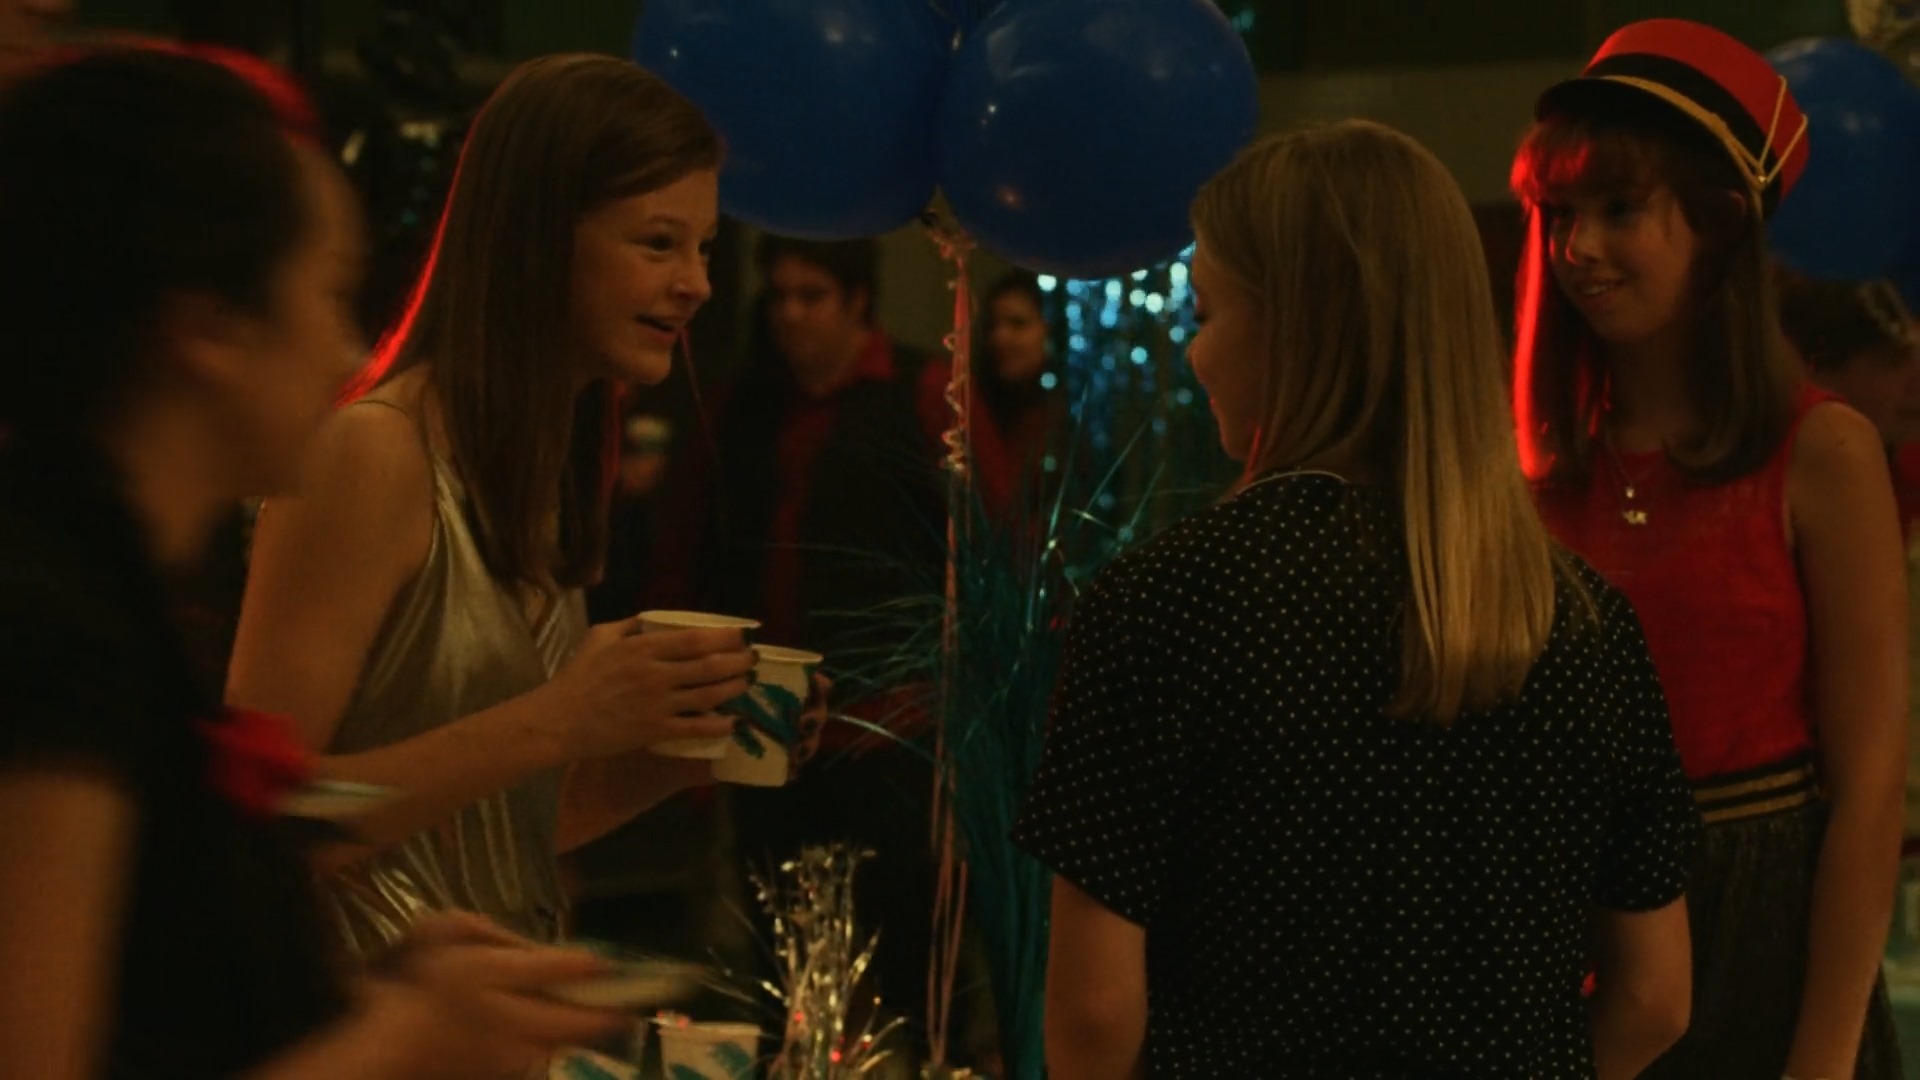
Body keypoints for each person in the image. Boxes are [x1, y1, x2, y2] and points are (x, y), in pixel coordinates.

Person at [1019, 119, 1699, 1079]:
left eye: (1206, 315)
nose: (1196, 357)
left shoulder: (1166, 603)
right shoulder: (1582, 622)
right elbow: (1656, 999)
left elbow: (1093, 1018)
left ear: (1293, 331)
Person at [0, 45, 628, 1078]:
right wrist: (405, 1039)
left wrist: (363, 994)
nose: (346, 354)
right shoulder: (53, 636)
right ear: (208, 327)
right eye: (331, 293)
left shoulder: (114, 590)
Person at [225, 53, 756, 955]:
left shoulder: (539, 468)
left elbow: (498, 829)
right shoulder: (376, 452)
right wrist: (560, 718)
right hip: (360, 1014)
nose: (696, 282)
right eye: (659, 243)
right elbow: (259, 823)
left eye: (704, 248)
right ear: (539, 239)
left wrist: (688, 750)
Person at [1511, 19, 1907, 1078]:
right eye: (1561, 213)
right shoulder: (1535, 467)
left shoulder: (1820, 451)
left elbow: (1870, 789)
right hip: (1581, 924)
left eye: (1619, 209)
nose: (1577, 248)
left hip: (1764, 929)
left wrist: (1822, 1059)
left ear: (1721, 223)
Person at [973, 270, 1062, 525]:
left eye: (1018, 323)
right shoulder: (976, 408)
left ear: (1049, 330)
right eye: (993, 325)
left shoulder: (1065, 419)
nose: (1000, 337)